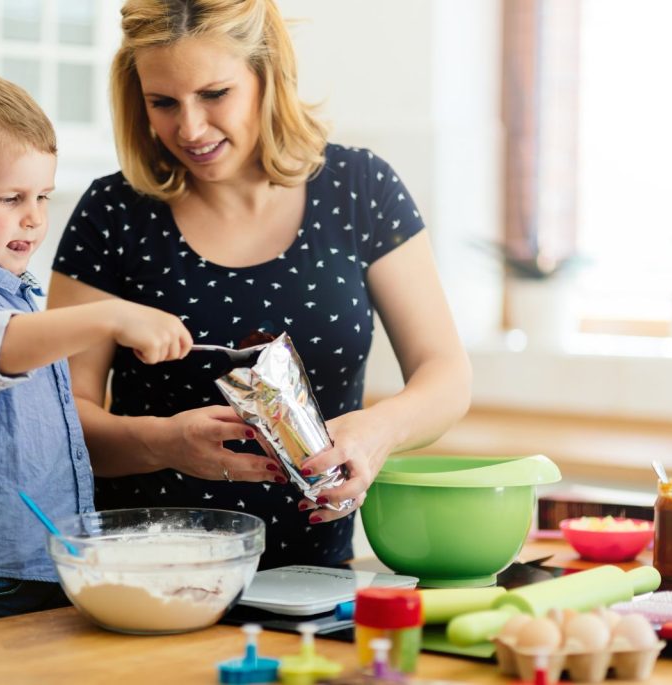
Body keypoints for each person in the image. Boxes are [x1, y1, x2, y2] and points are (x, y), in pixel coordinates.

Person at [48, 0, 472, 570]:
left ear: (266, 75)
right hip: (146, 579)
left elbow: (447, 374)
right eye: (163, 103)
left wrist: (379, 431)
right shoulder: (113, 214)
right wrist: (162, 442)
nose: (190, 128)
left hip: (317, 581)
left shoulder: (361, 190)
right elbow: (61, 417)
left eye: (215, 94)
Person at [0, 67, 192, 630]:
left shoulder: (17, 296)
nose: (34, 218)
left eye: (42, 196)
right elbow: (1, 345)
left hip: (41, 565)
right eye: (11, 197)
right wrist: (111, 315)